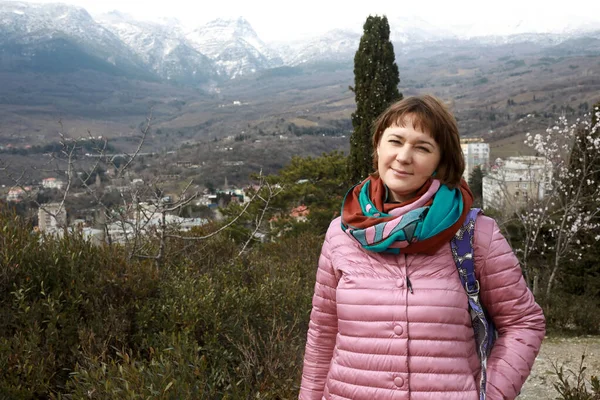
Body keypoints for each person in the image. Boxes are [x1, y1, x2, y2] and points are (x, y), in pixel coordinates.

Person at [299, 95, 545, 400]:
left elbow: (523, 322)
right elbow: (323, 335)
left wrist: (490, 394)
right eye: (395, 141)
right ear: (378, 146)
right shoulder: (342, 233)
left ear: (440, 161)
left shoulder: (474, 232)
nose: (404, 157)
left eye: (422, 147)